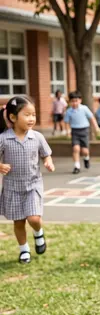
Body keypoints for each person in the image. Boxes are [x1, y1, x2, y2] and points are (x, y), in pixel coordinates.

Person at [0, 96, 55, 264]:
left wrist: (48, 161)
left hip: (33, 185)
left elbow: (46, 154)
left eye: (34, 114)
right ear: (13, 117)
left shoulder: (37, 137)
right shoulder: (3, 139)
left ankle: (38, 233)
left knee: (33, 218)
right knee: (19, 222)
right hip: (12, 187)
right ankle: (24, 250)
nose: (32, 118)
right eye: (27, 115)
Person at [64, 91, 100, 175]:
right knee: (76, 149)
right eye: (72, 101)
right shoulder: (69, 111)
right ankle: (77, 166)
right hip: (75, 131)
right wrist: (68, 131)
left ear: (80, 100)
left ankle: (86, 158)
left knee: (85, 151)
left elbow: (92, 118)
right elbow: (66, 122)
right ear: (69, 102)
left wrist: (96, 127)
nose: (74, 103)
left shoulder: (84, 108)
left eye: (76, 101)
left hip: (84, 130)